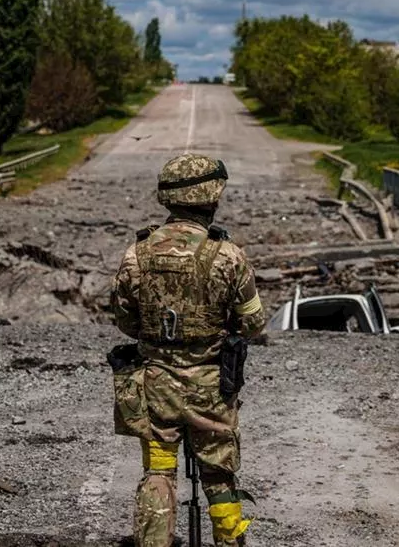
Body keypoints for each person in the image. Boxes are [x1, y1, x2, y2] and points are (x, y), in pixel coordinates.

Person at [109, 153, 266, 547]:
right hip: (211, 386)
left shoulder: (137, 253)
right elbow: (253, 322)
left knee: (158, 471)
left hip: (156, 383)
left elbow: (124, 320)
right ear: (212, 195)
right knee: (218, 475)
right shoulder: (228, 256)